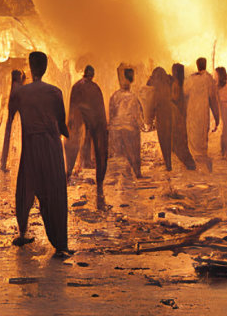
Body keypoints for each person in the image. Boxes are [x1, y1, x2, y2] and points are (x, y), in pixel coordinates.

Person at [9, 51, 72, 256]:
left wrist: (4, 156)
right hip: (51, 145)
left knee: (25, 188)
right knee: (55, 192)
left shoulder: (20, 94)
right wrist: (69, 135)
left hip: (31, 145)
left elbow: (10, 122)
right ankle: (60, 243)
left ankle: (22, 232)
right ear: (45, 68)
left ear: (30, 66)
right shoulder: (55, 92)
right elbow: (62, 123)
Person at [64, 65, 109, 207]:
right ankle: (100, 183)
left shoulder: (76, 87)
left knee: (73, 143)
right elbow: (100, 111)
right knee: (100, 148)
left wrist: (70, 123)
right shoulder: (95, 88)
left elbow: (72, 107)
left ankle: (68, 173)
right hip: (95, 121)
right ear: (92, 75)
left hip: (78, 118)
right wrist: (103, 127)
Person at [109, 67, 145, 180]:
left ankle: (124, 176)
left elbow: (111, 113)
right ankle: (137, 173)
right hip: (130, 128)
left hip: (117, 128)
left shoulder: (115, 96)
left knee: (121, 154)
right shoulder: (133, 97)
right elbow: (137, 115)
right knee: (134, 150)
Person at [186, 57, 219, 172]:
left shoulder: (191, 79)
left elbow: (184, 93)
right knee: (202, 142)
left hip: (192, 115)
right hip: (203, 115)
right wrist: (217, 117)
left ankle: (198, 169)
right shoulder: (209, 79)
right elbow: (213, 99)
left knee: (193, 141)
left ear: (197, 65)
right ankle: (205, 167)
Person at [169, 64, 197, 171]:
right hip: (184, 114)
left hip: (177, 115)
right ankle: (189, 163)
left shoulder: (175, 84)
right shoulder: (184, 83)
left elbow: (174, 98)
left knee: (178, 142)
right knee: (183, 141)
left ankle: (189, 163)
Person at [147, 67, 175, 171]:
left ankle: (168, 163)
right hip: (170, 115)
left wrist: (149, 119)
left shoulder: (156, 89)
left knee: (163, 140)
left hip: (161, 117)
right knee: (169, 140)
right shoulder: (169, 83)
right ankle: (169, 163)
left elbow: (152, 104)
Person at [0, 69, 25, 173]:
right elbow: (21, 91)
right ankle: (4, 163)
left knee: (8, 136)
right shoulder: (16, 86)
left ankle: (4, 162)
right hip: (14, 110)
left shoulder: (14, 85)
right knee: (9, 136)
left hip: (13, 110)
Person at [216, 67, 227, 158]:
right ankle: (224, 150)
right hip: (223, 111)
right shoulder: (216, 89)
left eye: (216, 75)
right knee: (226, 130)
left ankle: (226, 150)